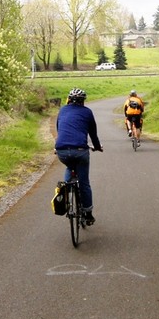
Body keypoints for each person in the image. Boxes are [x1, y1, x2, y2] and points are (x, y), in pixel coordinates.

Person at [55, 87, 103, 224]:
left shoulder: (63, 110)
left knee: (69, 166)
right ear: (83, 101)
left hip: (62, 150)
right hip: (80, 151)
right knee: (84, 183)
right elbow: (93, 134)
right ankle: (88, 213)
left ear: (69, 100)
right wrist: (98, 147)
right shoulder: (87, 112)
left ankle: (65, 189)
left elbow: (60, 130)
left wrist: (58, 146)